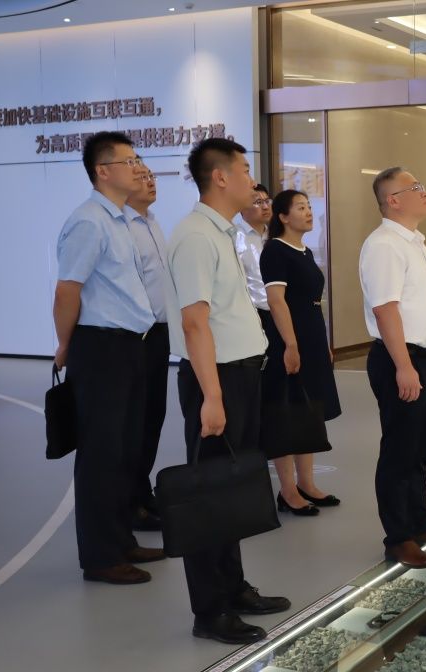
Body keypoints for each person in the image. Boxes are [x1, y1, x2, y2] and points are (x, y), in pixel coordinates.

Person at [165, 138, 290, 644]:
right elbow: (194, 323)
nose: (251, 181)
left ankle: (233, 587)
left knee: (231, 486)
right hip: (214, 380)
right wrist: (212, 396)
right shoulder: (196, 236)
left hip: (239, 374)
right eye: (243, 170)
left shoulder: (223, 232)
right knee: (209, 494)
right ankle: (210, 610)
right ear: (219, 177)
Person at [54, 131, 164, 585]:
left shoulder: (119, 220)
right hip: (100, 348)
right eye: (129, 161)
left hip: (130, 345)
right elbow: (67, 290)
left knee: (125, 450)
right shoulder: (89, 221)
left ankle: (121, 540)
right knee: (101, 454)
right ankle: (100, 556)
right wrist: (65, 345)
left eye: (138, 159)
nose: (138, 168)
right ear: (103, 171)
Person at [359, 167, 426, 569]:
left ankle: (419, 523)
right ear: (393, 200)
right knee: (399, 452)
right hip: (403, 360)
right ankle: (398, 537)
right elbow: (385, 309)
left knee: (420, 450)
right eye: (414, 187)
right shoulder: (384, 244)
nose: (424, 191)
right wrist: (404, 366)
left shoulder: (414, 242)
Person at [259, 189, 342, 515]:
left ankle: (307, 483)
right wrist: (291, 345)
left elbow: (311, 303)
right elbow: (276, 301)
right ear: (282, 216)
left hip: (311, 337)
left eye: (309, 207)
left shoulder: (304, 251)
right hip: (287, 339)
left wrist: (321, 343)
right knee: (287, 414)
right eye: (300, 208)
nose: (308, 212)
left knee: (309, 412)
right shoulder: (275, 250)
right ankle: (288, 490)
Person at [123, 167, 172, 532]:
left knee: (154, 416)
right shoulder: (122, 227)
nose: (150, 181)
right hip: (136, 336)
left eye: (151, 176)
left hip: (160, 334)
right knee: (135, 421)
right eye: (140, 177)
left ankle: (142, 492)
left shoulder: (153, 222)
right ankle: (130, 502)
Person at [234, 184, 272, 315]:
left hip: (278, 310)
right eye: (258, 202)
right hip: (250, 312)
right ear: (242, 208)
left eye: (267, 201)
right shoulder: (234, 237)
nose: (265, 207)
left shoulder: (276, 236)